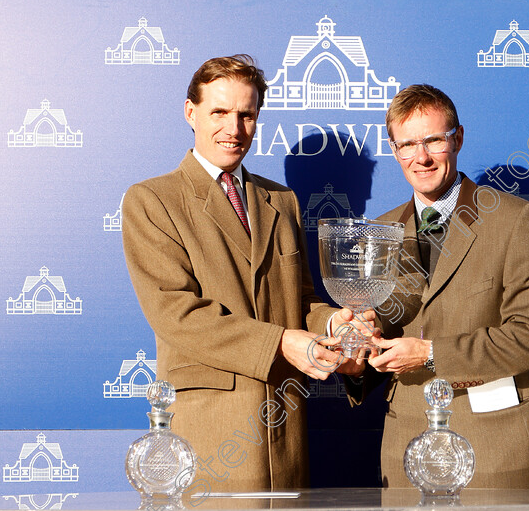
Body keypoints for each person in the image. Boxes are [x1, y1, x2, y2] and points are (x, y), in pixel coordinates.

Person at [122, 55, 365, 493]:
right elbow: (177, 314)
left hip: (283, 428)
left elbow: (301, 300)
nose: (234, 129)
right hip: (208, 433)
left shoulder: (281, 199)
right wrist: (281, 342)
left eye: (246, 114)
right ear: (190, 112)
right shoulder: (151, 200)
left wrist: (332, 323)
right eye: (220, 112)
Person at [354, 84, 529, 489]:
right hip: (404, 450)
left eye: (433, 140)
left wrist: (431, 354)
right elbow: (378, 341)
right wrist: (359, 353)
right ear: (394, 151)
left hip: (493, 450)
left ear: (458, 139)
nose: (421, 157)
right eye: (407, 144)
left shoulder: (513, 220)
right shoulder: (378, 233)